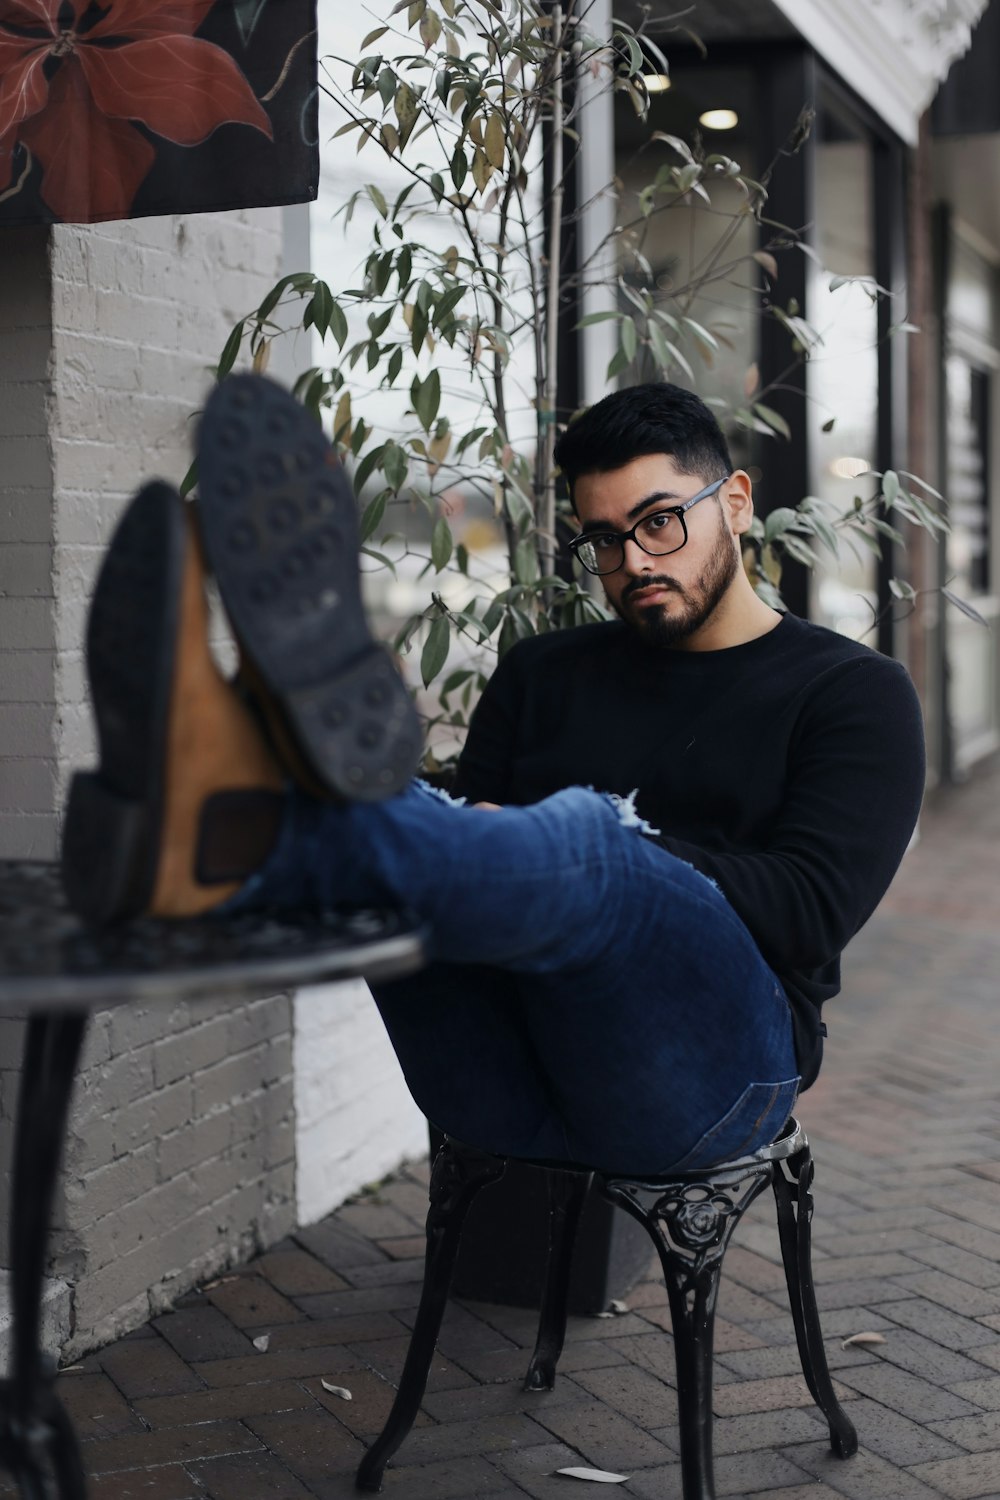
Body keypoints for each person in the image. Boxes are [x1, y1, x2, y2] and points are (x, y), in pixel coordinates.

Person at [62, 375, 925, 1175]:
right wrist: (496, 837)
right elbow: (453, 859)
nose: (632, 564)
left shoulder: (852, 694)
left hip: (708, 1089)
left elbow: (808, 913)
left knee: (588, 844)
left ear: (734, 503)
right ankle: (236, 810)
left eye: (660, 521)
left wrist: (598, 844)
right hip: (498, 1081)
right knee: (418, 825)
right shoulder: (544, 673)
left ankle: (237, 809)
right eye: (603, 540)